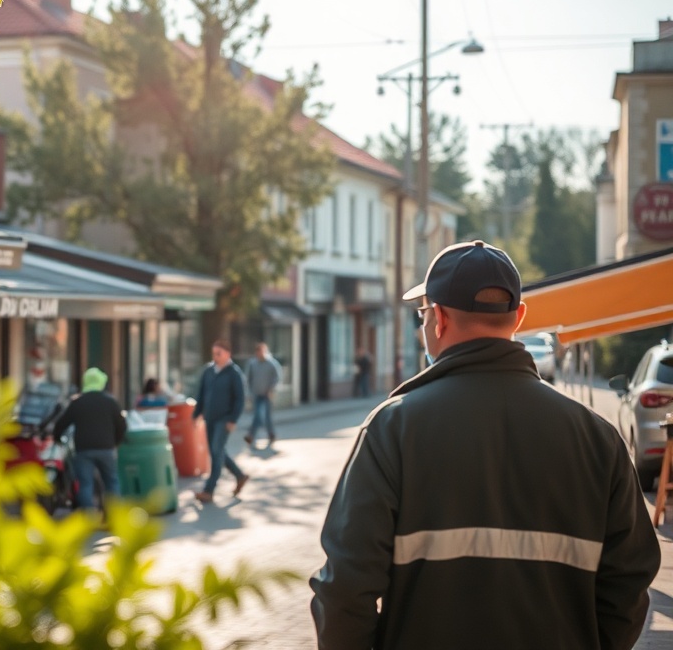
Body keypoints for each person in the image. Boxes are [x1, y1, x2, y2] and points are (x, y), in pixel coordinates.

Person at [310, 240, 661, 650]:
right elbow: (629, 582)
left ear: (439, 318)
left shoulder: (391, 429)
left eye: (423, 314)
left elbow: (345, 590)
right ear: (519, 317)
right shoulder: (598, 439)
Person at [52, 367, 127, 513]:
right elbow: (122, 426)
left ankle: (89, 517)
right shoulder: (111, 402)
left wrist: (57, 437)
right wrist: (115, 443)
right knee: (111, 482)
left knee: (85, 484)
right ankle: (115, 515)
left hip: (84, 450)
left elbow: (61, 423)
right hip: (106, 449)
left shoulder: (78, 402)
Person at [192, 339, 249, 503]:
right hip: (209, 418)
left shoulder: (234, 373)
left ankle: (208, 491)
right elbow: (201, 393)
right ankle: (240, 475)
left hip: (224, 420)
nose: (216, 357)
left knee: (217, 452)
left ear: (228, 354)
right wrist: (196, 414)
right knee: (217, 452)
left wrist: (233, 419)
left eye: (219, 353)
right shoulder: (209, 371)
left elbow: (240, 399)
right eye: (214, 354)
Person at [245, 342, 281, 447]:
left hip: (267, 394)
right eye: (258, 352)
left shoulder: (271, 363)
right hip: (256, 394)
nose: (260, 354)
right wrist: (249, 393)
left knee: (267, 417)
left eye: (261, 351)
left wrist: (272, 389)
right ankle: (251, 436)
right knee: (258, 416)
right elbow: (248, 379)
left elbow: (277, 377)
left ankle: (271, 434)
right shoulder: (252, 364)